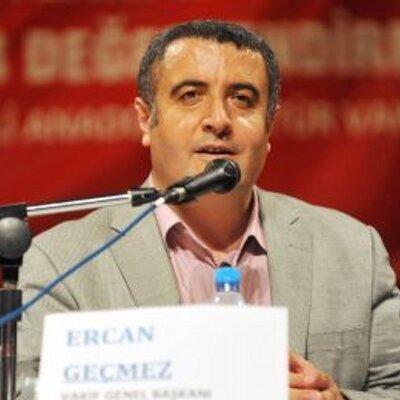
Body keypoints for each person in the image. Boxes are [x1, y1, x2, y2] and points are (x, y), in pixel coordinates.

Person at [17, 20, 400, 399]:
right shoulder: (61, 266)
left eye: (242, 99)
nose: (219, 120)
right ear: (146, 119)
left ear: (269, 127)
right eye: (190, 95)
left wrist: (335, 399)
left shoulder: (354, 251)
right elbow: (24, 393)